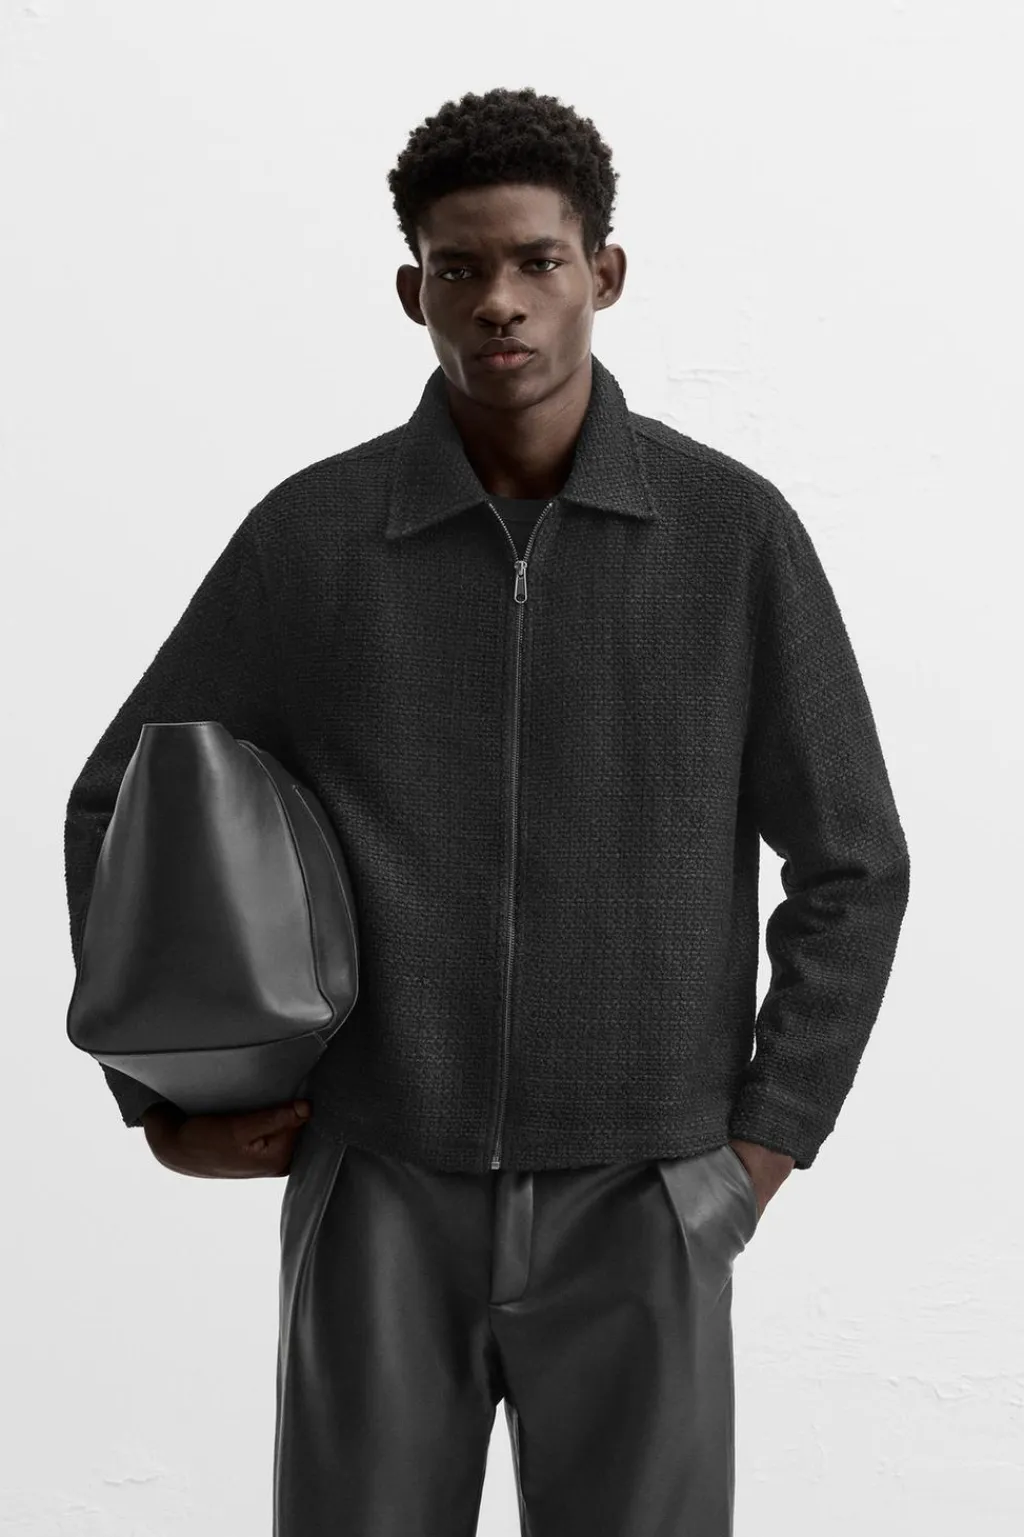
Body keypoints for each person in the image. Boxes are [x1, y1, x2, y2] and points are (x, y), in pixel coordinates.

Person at [63, 85, 911, 1537]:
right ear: (414, 291)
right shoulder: (314, 538)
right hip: (378, 1179)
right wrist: (169, 1097)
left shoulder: (730, 534)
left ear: (604, 274)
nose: (499, 301)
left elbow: (855, 862)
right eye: (459, 267)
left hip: (646, 1187)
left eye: (537, 261)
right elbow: (122, 804)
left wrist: (762, 1148)